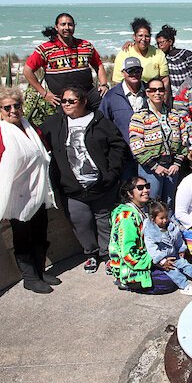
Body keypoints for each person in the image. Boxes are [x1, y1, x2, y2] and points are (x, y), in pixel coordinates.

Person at [0, 86, 59, 294]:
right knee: (23, 239)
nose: (13, 110)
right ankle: (30, 278)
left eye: (17, 105)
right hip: (16, 197)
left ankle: (40, 271)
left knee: (40, 234)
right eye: (7, 107)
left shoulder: (29, 127)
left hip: (37, 192)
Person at [41, 86, 126, 273]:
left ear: (83, 101)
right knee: (80, 222)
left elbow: (117, 146)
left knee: (104, 222)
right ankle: (91, 253)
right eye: (64, 101)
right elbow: (35, 138)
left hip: (102, 185)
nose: (67, 104)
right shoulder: (55, 123)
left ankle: (107, 255)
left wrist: (111, 174)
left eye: (72, 101)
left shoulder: (99, 121)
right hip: (72, 188)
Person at [24, 13, 109, 110]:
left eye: (70, 24)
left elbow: (98, 65)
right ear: (56, 27)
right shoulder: (45, 49)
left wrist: (103, 84)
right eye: (63, 24)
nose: (67, 27)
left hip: (88, 96)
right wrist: (44, 93)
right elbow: (27, 70)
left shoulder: (86, 45)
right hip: (63, 101)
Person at [107, 177, 177, 293]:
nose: (146, 190)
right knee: (170, 281)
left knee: (178, 268)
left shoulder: (146, 208)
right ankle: (126, 282)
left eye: (147, 186)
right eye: (140, 188)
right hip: (131, 264)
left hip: (148, 255)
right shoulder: (127, 217)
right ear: (130, 193)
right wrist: (158, 260)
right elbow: (128, 254)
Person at [129, 77, 185, 208]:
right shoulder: (139, 116)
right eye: (153, 90)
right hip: (150, 168)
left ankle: (169, 228)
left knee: (169, 203)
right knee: (151, 203)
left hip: (171, 167)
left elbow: (184, 140)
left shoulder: (174, 115)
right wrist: (154, 166)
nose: (157, 93)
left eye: (160, 89)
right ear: (147, 92)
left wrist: (177, 163)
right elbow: (136, 145)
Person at [143, 200, 192, 296]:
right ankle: (184, 286)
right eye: (161, 218)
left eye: (166, 217)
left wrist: (181, 249)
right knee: (173, 271)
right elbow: (152, 249)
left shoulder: (170, 226)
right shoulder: (151, 232)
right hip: (163, 260)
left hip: (173, 255)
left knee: (184, 264)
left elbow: (178, 238)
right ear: (153, 218)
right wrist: (161, 261)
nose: (165, 220)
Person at [99, 57, 147, 179]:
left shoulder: (151, 92)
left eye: (137, 70)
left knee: (147, 193)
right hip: (124, 156)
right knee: (127, 192)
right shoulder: (111, 96)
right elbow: (102, 124)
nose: (134, 74)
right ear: (123, 73)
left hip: (149, 155)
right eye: (130, 70)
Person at [111, 18, 169, 92]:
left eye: (147, 36)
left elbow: (165, 79)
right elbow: (117, 81)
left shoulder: (158, 54)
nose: (144, 39)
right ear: (134, 37)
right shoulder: (125, 53)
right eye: (140, 35)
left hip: (153, 95)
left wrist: (164, 100)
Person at [155, 25, 192, 97]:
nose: (160, 45)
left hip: (189, 92)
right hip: (172, 95)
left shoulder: (186, 54)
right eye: (158, 43)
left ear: (170, 42)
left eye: (162, 42)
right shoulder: (162, 58)